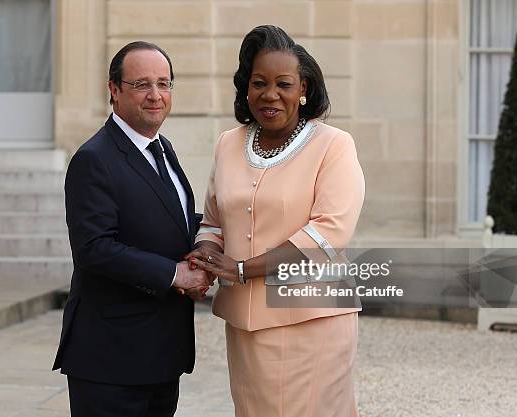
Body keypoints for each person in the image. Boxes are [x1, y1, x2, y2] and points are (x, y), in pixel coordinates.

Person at [187, 25, 365, 417]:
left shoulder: (333, 145)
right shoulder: (228, 144)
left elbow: (328, 232)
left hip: (313, 320)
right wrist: (204, 256)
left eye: (283, 84)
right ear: (245, 89)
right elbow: (213, 222)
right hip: (244, 326)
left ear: (304, 89)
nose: (270, 94)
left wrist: (240, 268)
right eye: (259, 83)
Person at [52, 41, 212, 417]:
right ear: (114, 90)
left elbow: (173, 223)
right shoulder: (94, 159)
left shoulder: (163, 147)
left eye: (164, 83)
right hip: (111, 359)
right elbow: (94, 248)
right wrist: (176, 275)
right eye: (141, 84)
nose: (155, 95)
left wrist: (213, 243)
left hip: (160, 355)